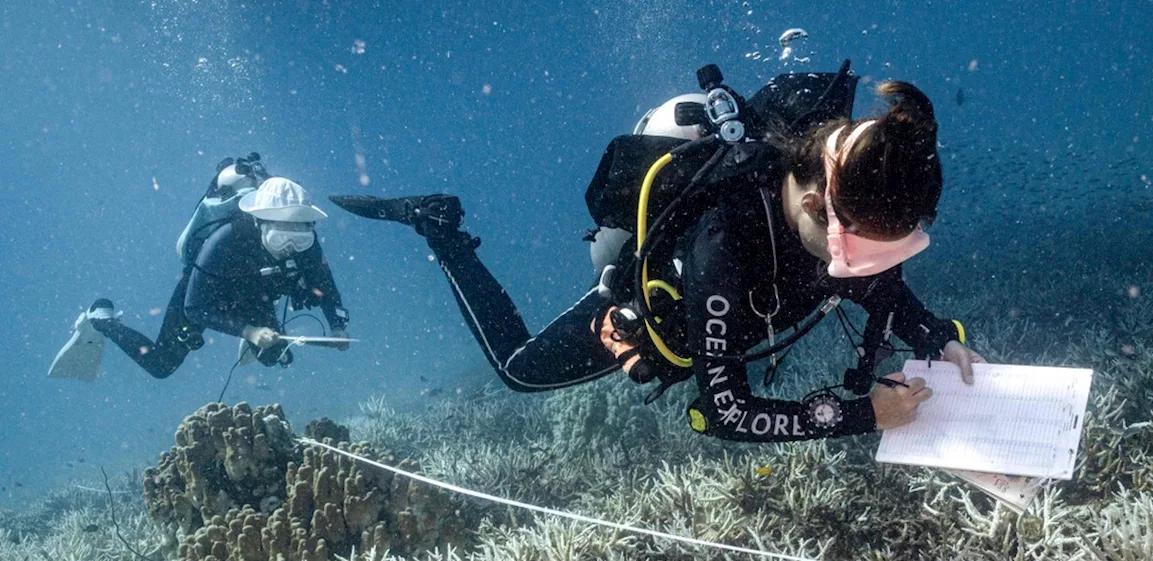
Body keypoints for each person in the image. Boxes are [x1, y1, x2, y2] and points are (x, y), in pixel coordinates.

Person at [333, 66, 981, 442]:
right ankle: (436, 227)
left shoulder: (852, 206)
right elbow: (724, 412)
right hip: (669, 302)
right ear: (816, 207)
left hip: (756, 280)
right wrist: (867, 413)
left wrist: (936, 338)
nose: (874, 267)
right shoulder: (725, 244)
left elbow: (880, 286)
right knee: (519, 369)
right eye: (867, 248)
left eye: (895, 247)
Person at [50, 169, 349, 381]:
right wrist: (249, 331)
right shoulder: (225, 239)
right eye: (283, 236)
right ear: (259, 222)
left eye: (300, 234)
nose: (292, 245)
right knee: (160, 365)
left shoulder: (305, 240)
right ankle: (101, 319)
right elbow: (194, 307)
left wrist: (337, 326)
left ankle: (251, 338)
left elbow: (324, 283)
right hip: (207, 293)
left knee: (273, 357)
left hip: (254, 294)